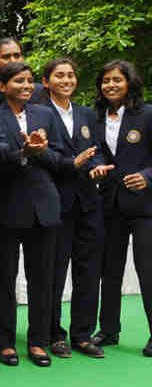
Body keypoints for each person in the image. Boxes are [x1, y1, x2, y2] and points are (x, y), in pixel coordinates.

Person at [0, 62, 67, 368]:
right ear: (1, 86)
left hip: (43, 209)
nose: (26, 85)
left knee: (42, 280)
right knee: (5, 280)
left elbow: (60, 159)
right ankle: (6, 342)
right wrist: (24, 153)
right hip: (5, 210)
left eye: (30, 81)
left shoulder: (46, 115)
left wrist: (41, 151)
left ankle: (37, 342)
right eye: (19, 81)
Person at [39, 58, 107, 359]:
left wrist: (95, 165)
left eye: (70, 75)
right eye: (59, 75)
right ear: (46, 81)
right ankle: (54, 334)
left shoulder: (86, 114)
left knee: (88, 270)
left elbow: (97, 150)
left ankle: (82, 333)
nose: (66, 80)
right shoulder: (39, 114)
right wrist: (72, 164)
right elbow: (41, 154)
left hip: (89, 203)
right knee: (55, 271)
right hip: (55, 202)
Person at [91, 60, 152, 357]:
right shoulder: (96, 117)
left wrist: (147, 177)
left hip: (144, 207)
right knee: (109, 270)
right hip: (109, 204)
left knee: (148, 270)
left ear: (129, 82)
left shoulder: (148, 113)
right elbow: (92, 153)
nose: (111, 85)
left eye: (117, 80)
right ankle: (109, 330)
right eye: (106, 81)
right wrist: (95, 166)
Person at [0, 38, 46, 106]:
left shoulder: (41, 93)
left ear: (23, 59)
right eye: (6, 57)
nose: (13, 61)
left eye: (17, 56)